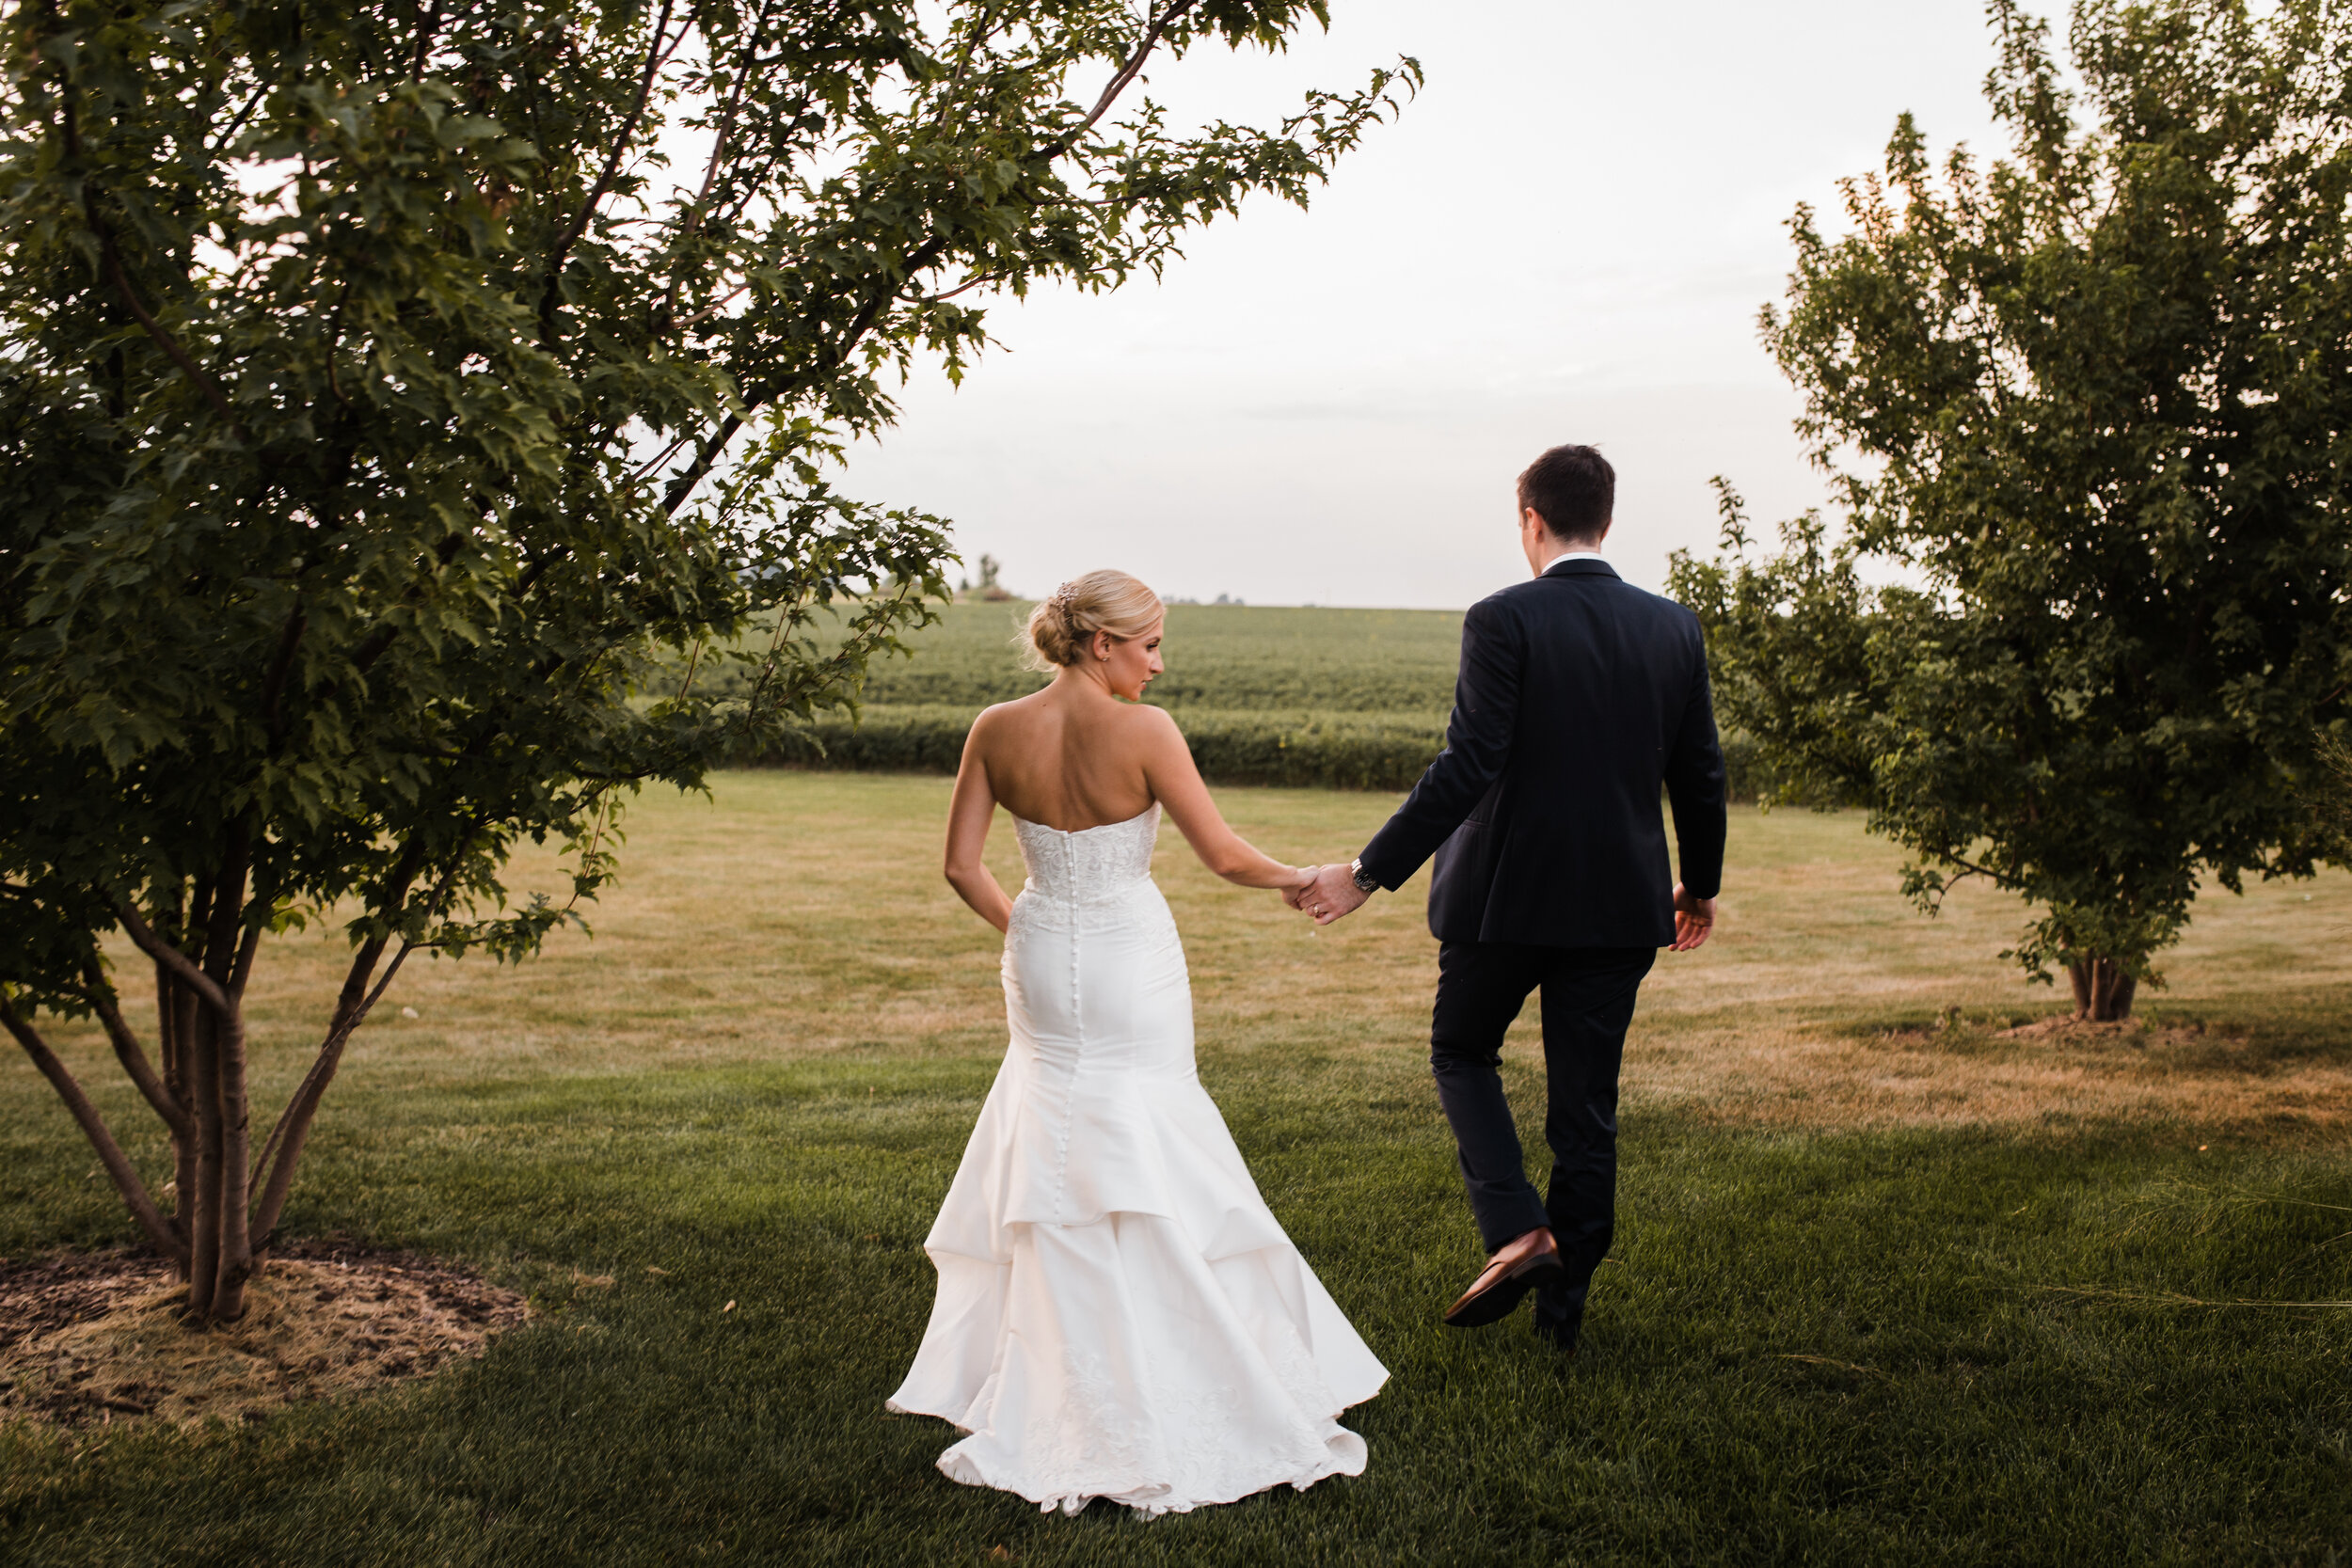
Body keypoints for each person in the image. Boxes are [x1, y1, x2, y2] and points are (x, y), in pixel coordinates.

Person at [886, 569, 1388, 1516]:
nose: (1159, 662)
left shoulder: (996, 726)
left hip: (1038, 952)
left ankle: (1056, 1371)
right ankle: (1182, 1358)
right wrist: (1309, 875)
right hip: (1129, 956)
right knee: (1152, 1137)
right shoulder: (1145, 732)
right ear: (1100, 643)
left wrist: (1025, 933)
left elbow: (960, 865)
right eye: (1150, 643)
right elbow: (1224, 854)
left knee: (1056, 1145)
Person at [1290, 444, 1726, 1357]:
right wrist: (1701, 884)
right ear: (1605, 517)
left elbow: (1468, 764)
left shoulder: (1502, 618)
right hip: (1619, 908)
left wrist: (1366, 873)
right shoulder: (1672, 626)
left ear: (1529, 517)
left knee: (1460, 1048)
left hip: (1503, 903)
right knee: (1585, 1105)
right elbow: (1699, 772)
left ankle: (1518, 1228)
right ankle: (1562, 1314)